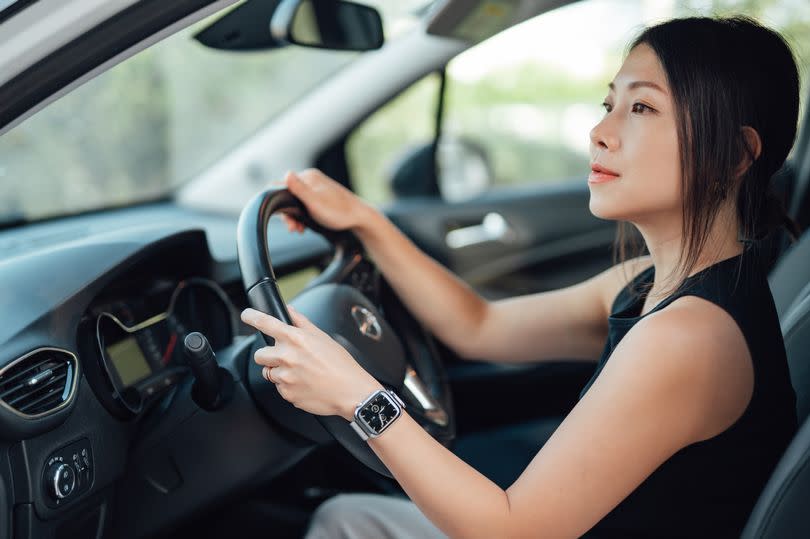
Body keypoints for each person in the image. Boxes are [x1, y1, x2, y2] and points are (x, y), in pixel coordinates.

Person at [239, 16, 800, 538]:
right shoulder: (649, 282)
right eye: (609, 104)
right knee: (346, 516)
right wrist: (366, 221)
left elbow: (512, 531)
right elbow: (477, 326)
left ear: (734, 155)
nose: (600, 132)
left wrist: (355, 395)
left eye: (643, 109)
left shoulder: (689, 338)